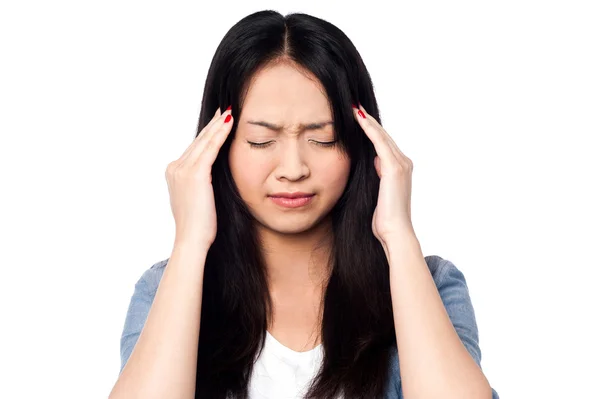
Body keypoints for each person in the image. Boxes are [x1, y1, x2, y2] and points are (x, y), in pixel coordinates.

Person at [109, 9, 499, 399]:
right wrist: (190, 241)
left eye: (323, 138)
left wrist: (398, 236)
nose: (293, 169)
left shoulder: (430, 284)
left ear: (360, 141)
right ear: (218, 146)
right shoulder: (165, 288)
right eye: (262, 140)